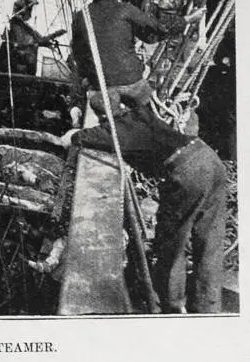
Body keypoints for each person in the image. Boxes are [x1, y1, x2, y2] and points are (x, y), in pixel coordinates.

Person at [59, 104, 226, 313]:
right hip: (207, 157)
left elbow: (91, 137)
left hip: (186, 172)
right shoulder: (142, 113)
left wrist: (74, 135)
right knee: (210, 242)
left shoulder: (123, 130)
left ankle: (171, 307)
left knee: (170, 244)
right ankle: (207, 308)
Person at [70, 0, 203, 116]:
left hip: (101, 83)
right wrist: (188, 19)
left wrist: (87, 77)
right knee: (148, 112)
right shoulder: (126, 9)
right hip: (131, 81)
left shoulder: (81, 16)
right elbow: (157, 30)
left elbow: (78, 53)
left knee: (109, 116)